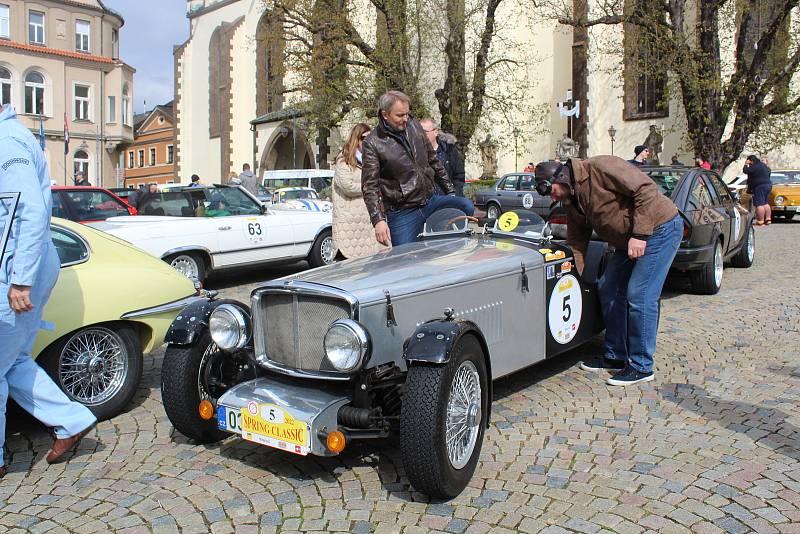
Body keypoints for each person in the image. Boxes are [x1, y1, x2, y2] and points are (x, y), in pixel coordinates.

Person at [0, 103, 97, 477]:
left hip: (16, 270)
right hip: (17, 265)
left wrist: (20, 279)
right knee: (12, 359)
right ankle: (71, 420)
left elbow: (29, 212)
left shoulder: (7, 142)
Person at [534, 157, 682, 386]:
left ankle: (642, 366)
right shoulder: (572, 199)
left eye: (549, 190)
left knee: (639, 294)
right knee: (608, 287)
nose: (551, 197)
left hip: (659, 229)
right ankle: (615, 356)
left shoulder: (601, 168)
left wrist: (641, 235)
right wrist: (575, 275)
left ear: (560, 177)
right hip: (627, 240)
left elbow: (646, 190)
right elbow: (577, 240)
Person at [362, 91, 474, 247]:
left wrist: (450, 193)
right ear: (385, 115)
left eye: (407, 114)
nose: (405, 119)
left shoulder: (414, 126)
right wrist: (378, 220)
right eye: (400, 115)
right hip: (402, 211)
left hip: (429, 200)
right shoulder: (373, 142)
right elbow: (370, 186)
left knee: (465, 206)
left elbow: (433, 161)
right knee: (405, 259)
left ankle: (438, 248)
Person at [332, 123, 386, 259]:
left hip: (368, 221)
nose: (367, 141)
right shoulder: (343, 160)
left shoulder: (372, 160)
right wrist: (371, 186)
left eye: (370, 138)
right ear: (356, 139)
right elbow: (347, 186)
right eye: (363, 138)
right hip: (350, 224)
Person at [420, 118, 466, 197]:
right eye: (418, 132)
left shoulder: (449, 151)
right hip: (426, 203)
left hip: (448, 200)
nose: (420, 135)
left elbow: (459, 176)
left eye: (424, 132)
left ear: (435, 132)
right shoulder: (416, 154)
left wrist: (456, 195)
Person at [743, 154, 772, 225]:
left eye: (749, 162)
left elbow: (746, 170)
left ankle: (760, 220)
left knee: (759, 204)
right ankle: (768, 219)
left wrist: (746, 164)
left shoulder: (755, 166)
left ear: (751, 161)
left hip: (759, 187)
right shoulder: (764, 166)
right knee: (765, 203)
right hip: (768, 185)